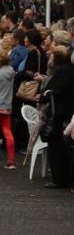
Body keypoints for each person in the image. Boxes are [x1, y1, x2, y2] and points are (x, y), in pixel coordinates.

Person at [39, 46, 74, 189]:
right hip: (68, 112)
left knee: (56, 145)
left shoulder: (62, 72)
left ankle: (59, 178)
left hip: (59, 113)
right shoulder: (69, 70)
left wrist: (45, 95)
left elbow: (54, 91)